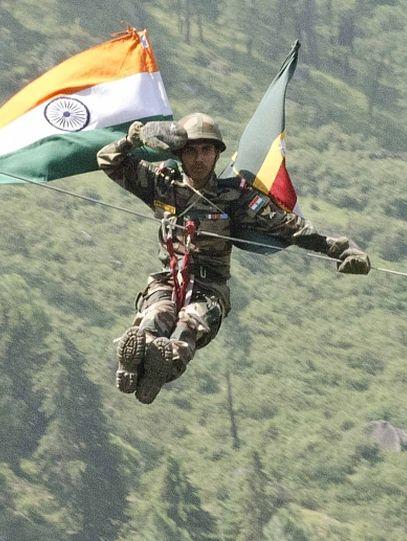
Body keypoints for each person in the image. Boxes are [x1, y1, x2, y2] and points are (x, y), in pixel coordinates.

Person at [97, 113, 370, 404]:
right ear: (179, 153)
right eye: (191, 151)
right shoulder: (163, 184)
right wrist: (132, 140)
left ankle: (158, 369)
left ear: (216, 155)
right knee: (154, 318)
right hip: (168, 280)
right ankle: (134, 364)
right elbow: (108, 161)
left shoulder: (235, 196)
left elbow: (288, 226)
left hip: (209, 290)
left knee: (189, 326)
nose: (198, 159)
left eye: (206, 151)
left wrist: (341, 249)